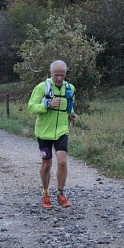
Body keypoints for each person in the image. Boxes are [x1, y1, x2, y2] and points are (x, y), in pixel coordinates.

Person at [28, 59, 79, 209]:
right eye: (56, 75)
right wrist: (46, 105)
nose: (59, 78)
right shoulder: (42, 87)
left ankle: (61, 194)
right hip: (44, 132)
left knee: (62, 161)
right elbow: (31, 107)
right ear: (51, 74)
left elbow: (69, 107)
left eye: (62, 75)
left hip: (61, 131)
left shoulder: (69, 88)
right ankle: (45, 193)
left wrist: (72, 114)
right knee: (46, 164)